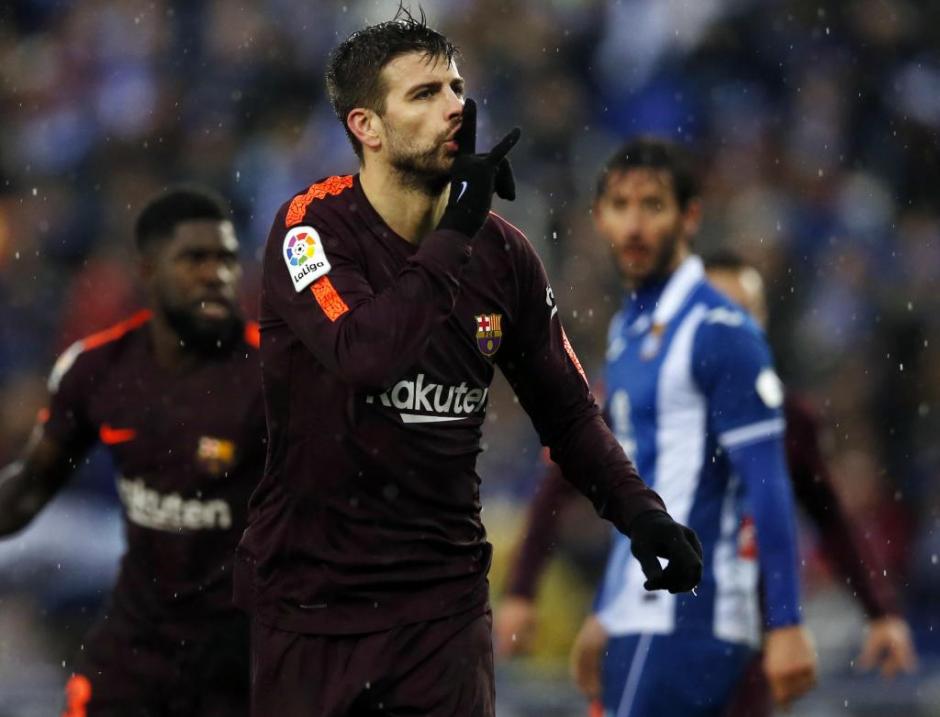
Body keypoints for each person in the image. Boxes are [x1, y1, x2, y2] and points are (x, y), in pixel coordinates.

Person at [232, 10, 702, 717]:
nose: (456, 106)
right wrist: (459, 226)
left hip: (441, 613)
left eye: (456, 87)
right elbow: (367, 355)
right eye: (424, 95)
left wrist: (641, 512)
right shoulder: (312, 228)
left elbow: (568, 413)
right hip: (312, 606)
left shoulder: (502, 256)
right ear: (367, 126)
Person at [496, 136, 816, 716]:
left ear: (690, 216)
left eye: (654, 205)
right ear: (599, 218)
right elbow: (634, 480)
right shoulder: (628, 331)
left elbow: (769, 486)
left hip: (694, 612)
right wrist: (608, 610)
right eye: (620, 206)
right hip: (642, 610)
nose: (635, 225)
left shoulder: (720, 330)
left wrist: (787, 623)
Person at [0, 186, 264, 717]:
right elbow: (28, 493)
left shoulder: (274, 379)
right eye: (194, 259)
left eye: (225, 259)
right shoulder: (98, 370)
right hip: (135, 642)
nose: (215, 275)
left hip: (239, 652)